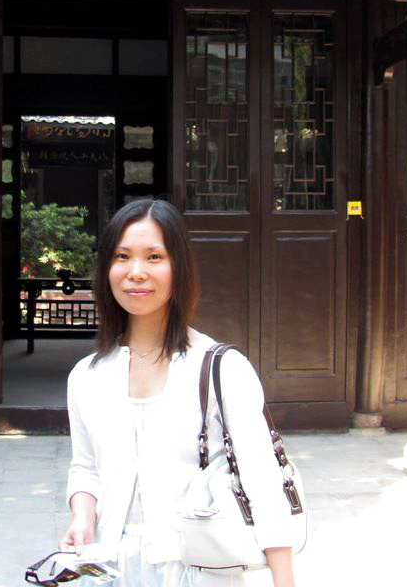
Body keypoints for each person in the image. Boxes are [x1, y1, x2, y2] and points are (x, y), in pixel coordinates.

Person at [59, 199, 297, 587]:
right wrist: (82, 517)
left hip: (198, 569)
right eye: (122, 257)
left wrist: (284, 581)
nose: (136, 272)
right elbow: (86, 468)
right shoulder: (87, 376)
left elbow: (263, 483)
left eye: (154, 257)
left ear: (179, 268)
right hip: (107, 569)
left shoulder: (221, 369)